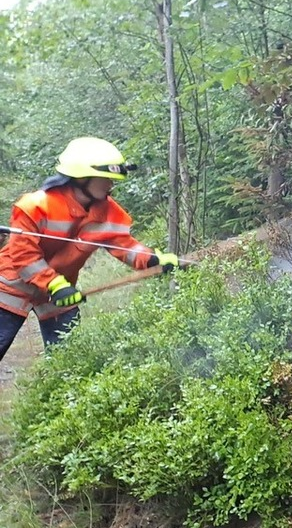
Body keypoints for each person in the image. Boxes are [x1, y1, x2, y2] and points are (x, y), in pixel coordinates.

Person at [0, 137, 179, 361]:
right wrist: (53, 284)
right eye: (105, 178)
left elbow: (124, 244)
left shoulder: (108, 211)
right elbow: (24, 256)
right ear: (82, 178)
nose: (111, 185)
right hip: (11, 287)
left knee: (68, 359)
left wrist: (152, 259)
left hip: (61, 292)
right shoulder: (35, 206)